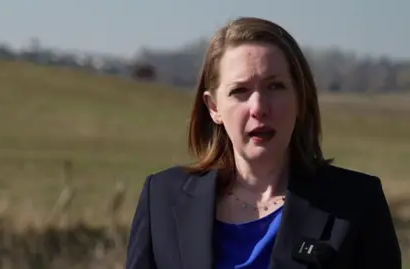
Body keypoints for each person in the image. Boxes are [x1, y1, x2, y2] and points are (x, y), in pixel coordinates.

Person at [125, 17, 401, 269]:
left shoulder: (357, 202)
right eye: (240, 91)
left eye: (275, 87)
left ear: (300, 98)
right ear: (213, 107)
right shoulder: (162, 198)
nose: (259, 107)